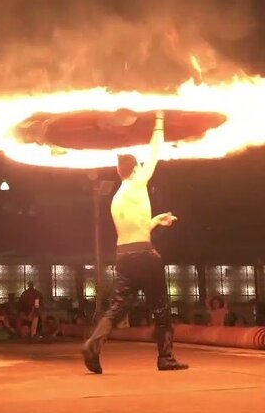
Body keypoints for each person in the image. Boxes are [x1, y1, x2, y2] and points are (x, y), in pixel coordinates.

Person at [82, 111, 187, 373]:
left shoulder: (117, 198)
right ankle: (165, 358)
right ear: (135, 168)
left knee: (117, 308)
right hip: (145, 255)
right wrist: (160, 119)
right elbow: (155, 152)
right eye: (140, 165)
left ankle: (94, 343)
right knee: (161, 308)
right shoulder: (138, 181)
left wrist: (154, 221)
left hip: (124, 256)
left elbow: (134, 230)